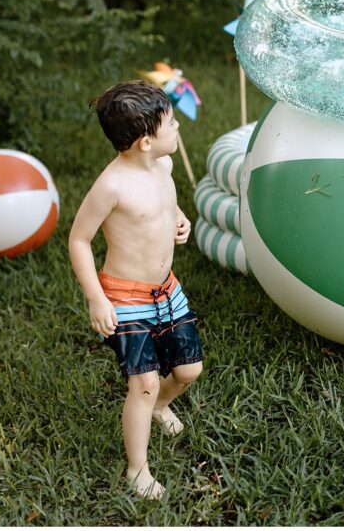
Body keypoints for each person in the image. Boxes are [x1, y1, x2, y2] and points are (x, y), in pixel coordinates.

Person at [69, 80, 202, 499]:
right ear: (145, 141)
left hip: (166, 288)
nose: (178, 125)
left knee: (188, 370)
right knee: (142, 384)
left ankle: (162, 405)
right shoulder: (112, 186)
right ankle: (137, 469)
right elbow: (78, 240)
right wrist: (96, 296)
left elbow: (164, 203)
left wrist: (179, 217)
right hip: (125, 297)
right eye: (170, 122)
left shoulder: (162, 166)